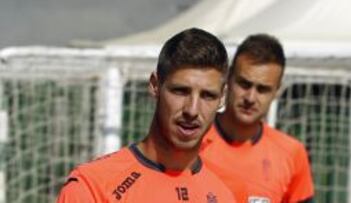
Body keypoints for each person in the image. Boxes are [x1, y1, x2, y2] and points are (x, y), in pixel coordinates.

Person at [57, 28, 237, 203]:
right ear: (155, 85)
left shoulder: (223, 196)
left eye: (207, 96)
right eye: (180, 91)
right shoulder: (92, 187)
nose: (192, 110)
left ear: (222, 98)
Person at [200, 34, 315, 203]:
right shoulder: (192, 138)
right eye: (244, 84)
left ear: (277, 91)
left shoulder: (292, 153)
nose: (250, 98)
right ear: (229, 77)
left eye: (262, 89)